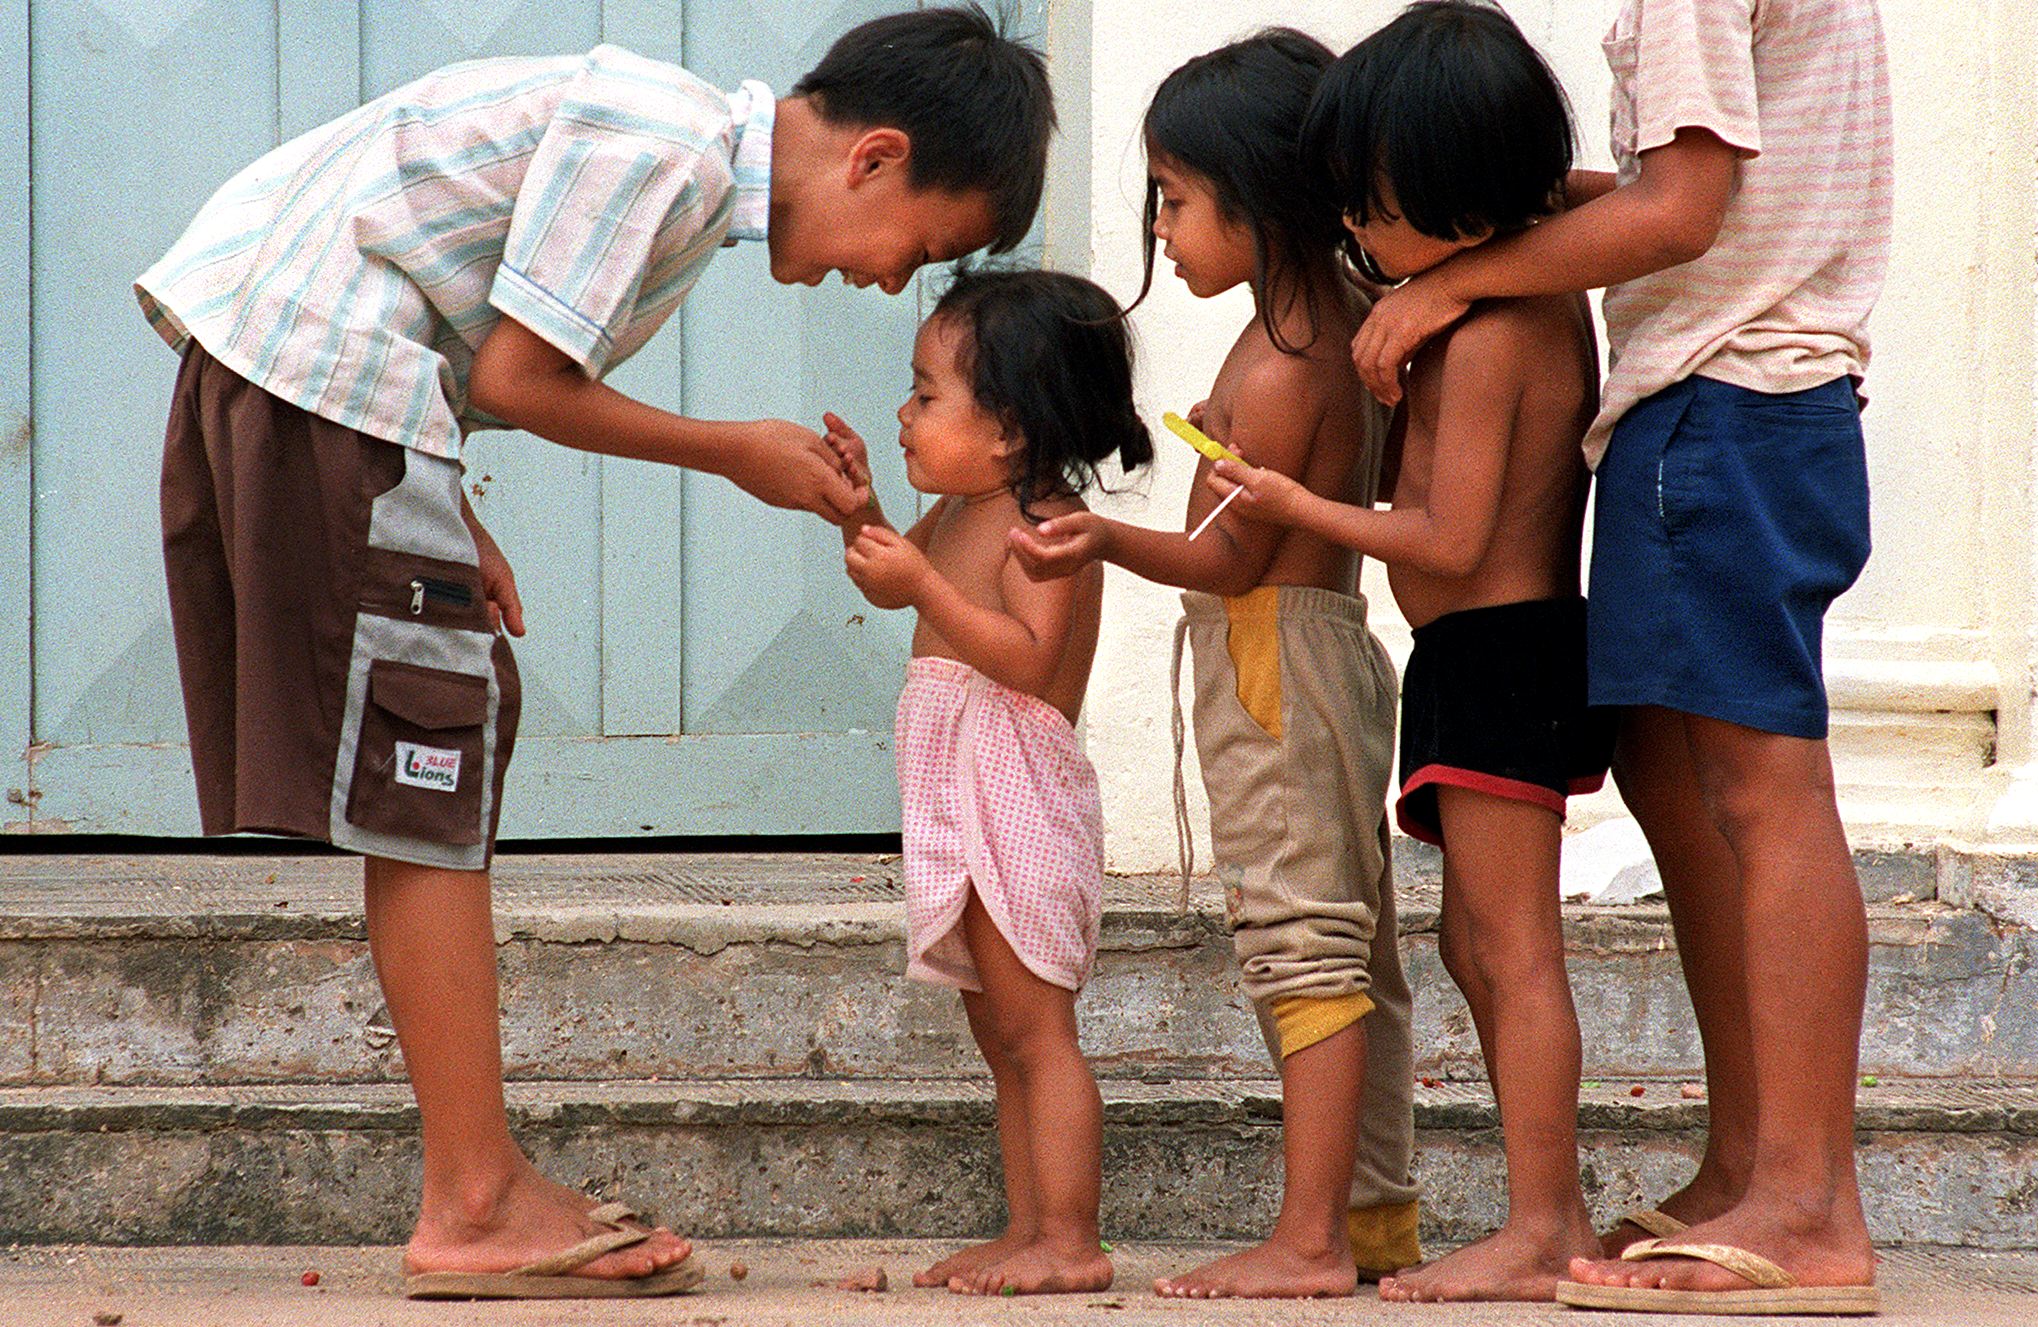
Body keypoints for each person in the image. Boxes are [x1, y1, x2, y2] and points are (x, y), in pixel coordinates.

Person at [134, 6, 1053, 1300]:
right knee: (429, 770)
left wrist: (441, 502)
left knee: (445, 738)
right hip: (323, 375)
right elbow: (519, 374)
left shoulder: (664, 142)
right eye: (922, 245)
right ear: (875, 158)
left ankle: (478, 1180)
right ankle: (472, 1195)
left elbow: (460, 327)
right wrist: (738, 448)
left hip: (328, 379)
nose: (890, 279)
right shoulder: (668, 150)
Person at [1347, 0, 1890, 1314]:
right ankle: (1752, 1163)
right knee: (1686, 789)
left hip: (1732, 391)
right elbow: (1669, 189)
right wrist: (1489, 211)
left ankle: (1809, 1204)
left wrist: (1462, 270)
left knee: (1760, 790)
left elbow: (1680, 212)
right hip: (1719, 397)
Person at [1206, 2, 1612, 1302]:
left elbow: (1445, 537)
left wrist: (1293, 506)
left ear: (1457, 196)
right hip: (1476, 661)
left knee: (1511, 945)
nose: (1360, 244)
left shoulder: (1499, 330)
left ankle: (1545, 1220)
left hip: (1501, 653)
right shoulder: (1492, 281)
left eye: (1374, 212)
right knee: (1473, 946)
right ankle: (1561, 1214)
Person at [1011, 30, 1420, 1300]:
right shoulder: (1332, 323)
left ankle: (1307, 1240)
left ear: (1259, 196)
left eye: (1176, 200)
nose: (1164, 230)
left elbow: (1230, 557)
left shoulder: (1287, 357)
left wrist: (1103, 536)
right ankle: (1365, 1218)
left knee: (1303, 944)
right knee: (1353, 947)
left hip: (1272, 659)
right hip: (1316, 653)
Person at [831, 268, 1151, 1296]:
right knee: (995, 1028)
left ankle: (1070, 1235)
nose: (903, 412)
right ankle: (1027, 1227)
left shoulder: (1042, 526)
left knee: (1035, 1028)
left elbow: (1026, 657)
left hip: (1015, 794)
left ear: (1009, 428)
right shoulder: (963, 508)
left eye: (926, 395)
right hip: (962, 796)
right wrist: (862, 507)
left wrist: (920, 581)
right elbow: (894, 577)